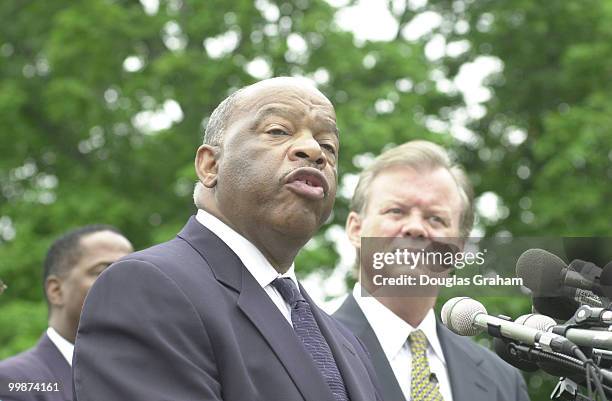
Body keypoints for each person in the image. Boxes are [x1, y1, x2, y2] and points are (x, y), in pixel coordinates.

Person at [72, 77, 382, 401]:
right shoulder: (145, 288)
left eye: (329, 146)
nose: (314, 151)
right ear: (210, 165)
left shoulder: (348, 345)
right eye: (278, 131)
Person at [333, 140, 530, 401]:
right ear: (356, 229)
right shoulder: (307, 347)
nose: (415, 228)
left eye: (435, 218)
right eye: (396, 211)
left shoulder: (503, 381)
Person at [0, 225, 133, 401]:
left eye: (131, 271)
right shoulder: (13, 382)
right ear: (56, 291)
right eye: (103, 271)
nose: (125, 282)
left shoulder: (146, 374)